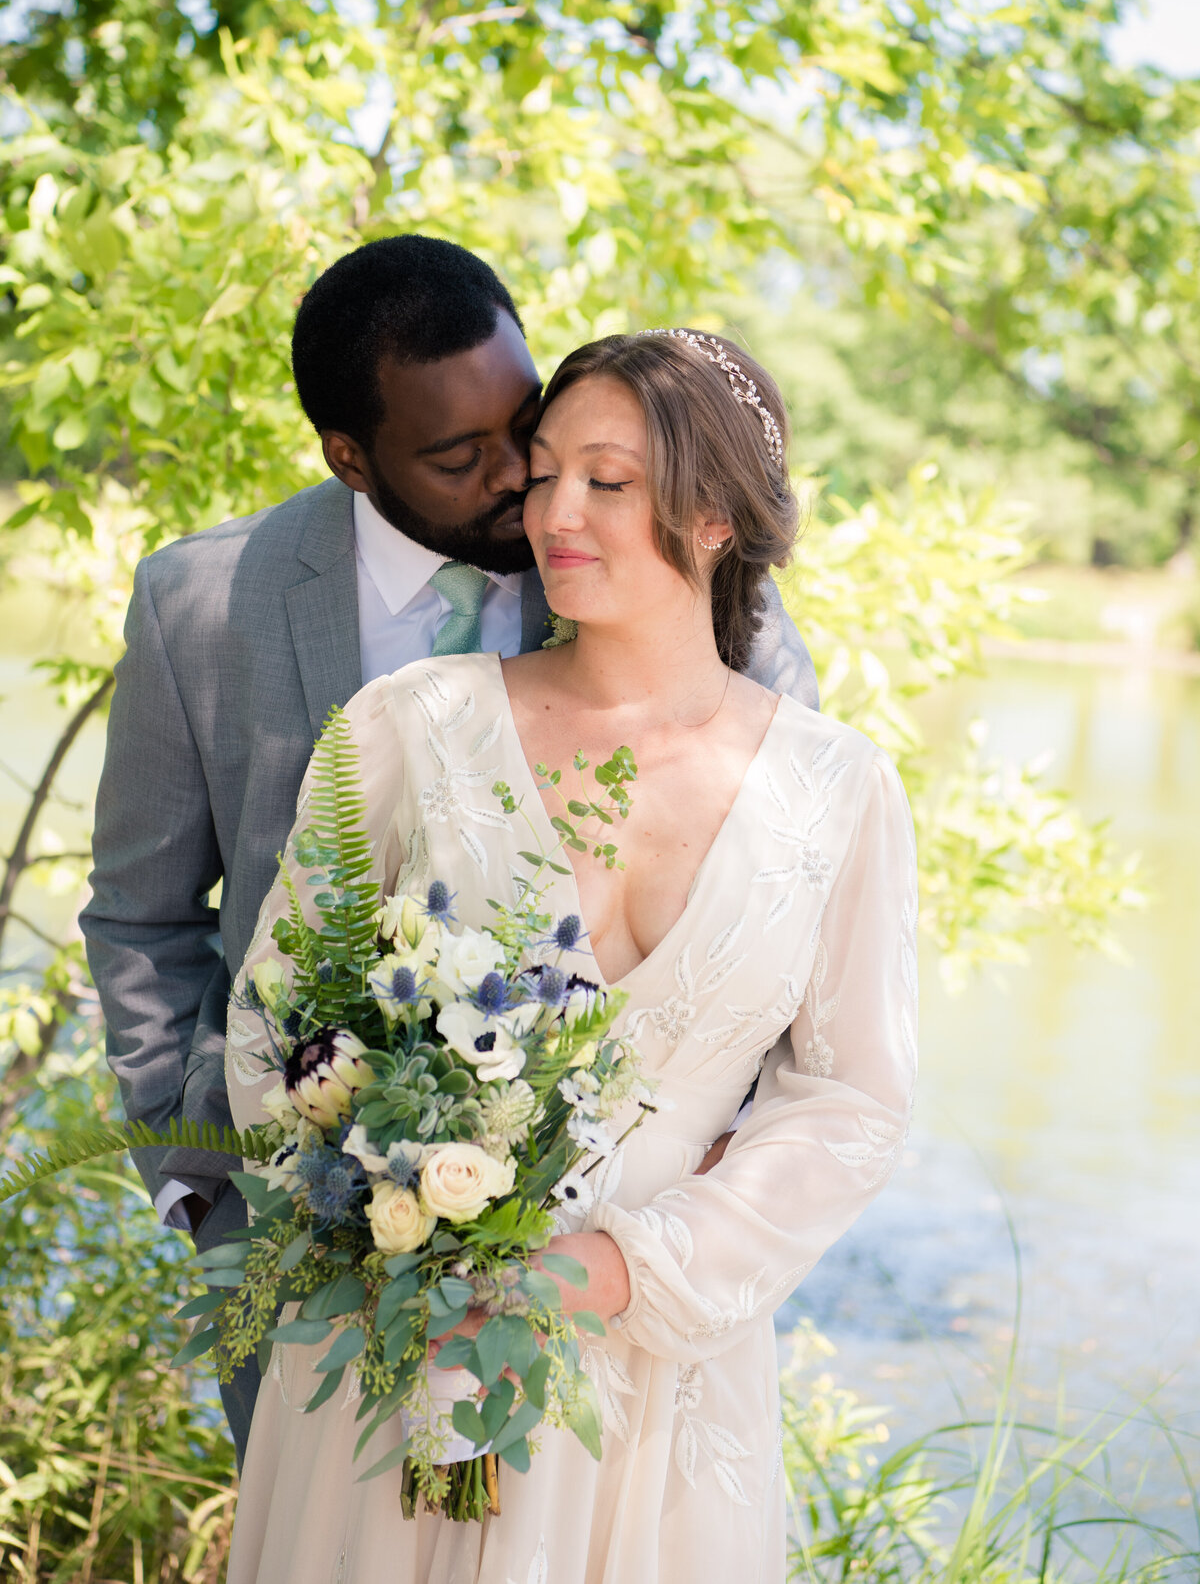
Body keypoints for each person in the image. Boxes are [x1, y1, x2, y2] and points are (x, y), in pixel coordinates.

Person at [82, 241, 820, 1466]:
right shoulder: (196, 603)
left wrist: (724, 1173)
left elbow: (789, 872)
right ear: (350, 455)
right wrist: (200, 1183)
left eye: (520, 424)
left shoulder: (651, 561)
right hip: (294, 1232)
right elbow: (140, 917)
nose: (518, 481)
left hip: (618, 1257)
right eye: (455, 457)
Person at [224, 329, 918, 1584]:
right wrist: (400, 1215)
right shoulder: (412, 724)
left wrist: (623, 1268)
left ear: (713, 514)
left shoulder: (840, 790)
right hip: (406, 1353)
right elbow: (277, 1021)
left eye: (607, 478)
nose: (553, 511)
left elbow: (852, 1101)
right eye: (543, 474)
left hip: (660, 1378)